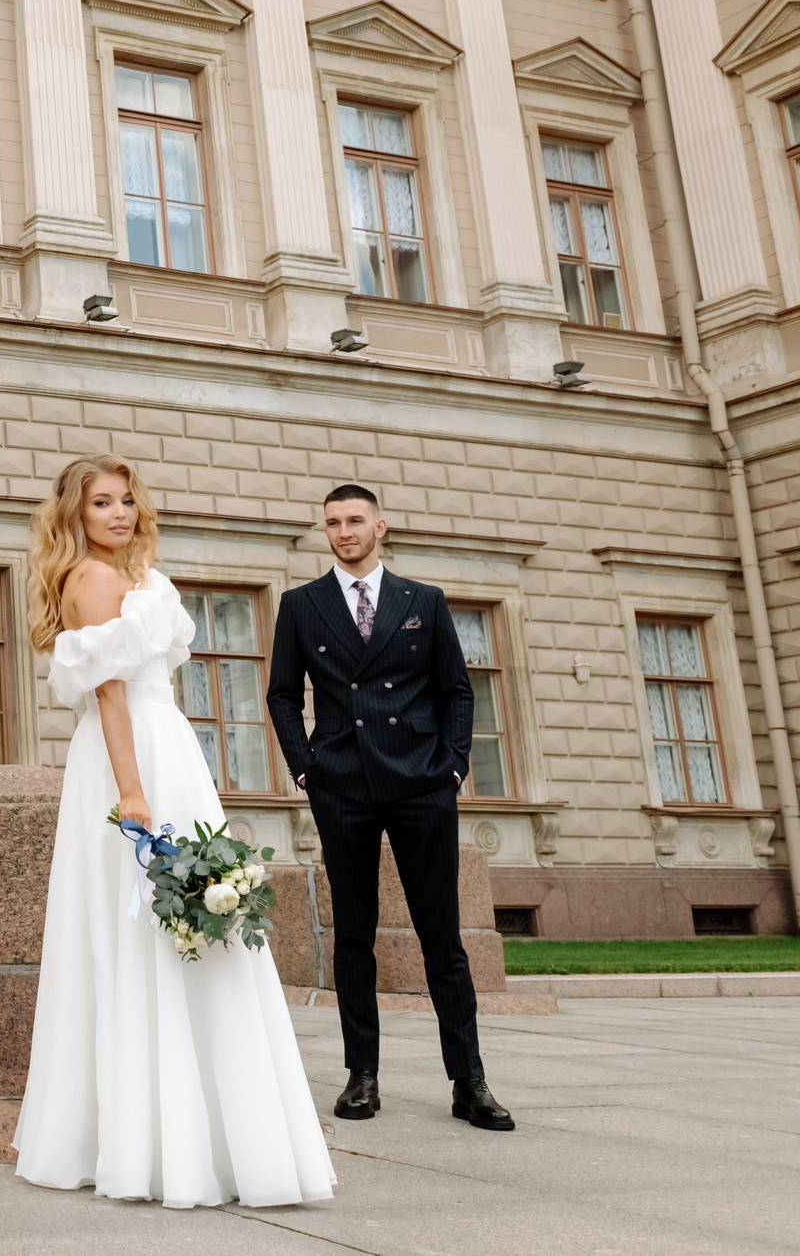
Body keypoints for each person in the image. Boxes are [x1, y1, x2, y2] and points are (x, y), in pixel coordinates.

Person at [12, 453, 335, 1209]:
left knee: (186, 928)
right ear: (76, 515)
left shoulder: (134, 578)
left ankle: (195, 1133)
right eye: (101, 502)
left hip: (168, 747)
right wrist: (132, 792)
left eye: (127, 500)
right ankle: (165, 1140)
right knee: (150, 932)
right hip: (135, 758)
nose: (120, 512)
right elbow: (113, 693)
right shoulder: (92, 579)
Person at [266, 483, 514, 1132]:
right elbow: (283, 694)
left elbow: (457, 691)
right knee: (354, 936)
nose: (343, 531)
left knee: (443, 938)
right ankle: (362, 1076)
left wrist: (455, 765)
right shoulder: (301, 605)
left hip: (421, 781)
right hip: (341, 783)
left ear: (381, 525)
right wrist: (305, 766)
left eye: (354, 520)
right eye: (332, 522)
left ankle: (470, 1080)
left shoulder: (423, 602)